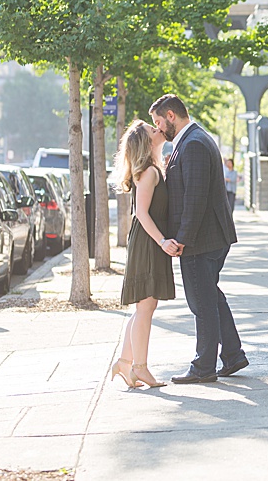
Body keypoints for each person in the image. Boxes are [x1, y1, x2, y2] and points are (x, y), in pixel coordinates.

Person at [150, 94, 247, 384]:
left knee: (201, 302)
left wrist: (181, 239)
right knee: (211, 297)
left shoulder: (192, 144)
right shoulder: (194, 139)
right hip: (210, 237)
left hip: (201, 240)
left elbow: (195, 198)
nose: (158, 129)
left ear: (170, 115)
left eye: (158, 122)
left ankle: (203, 366)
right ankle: (232, 354)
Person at [110, 120, 174, 389]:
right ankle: (140, 367)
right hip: (148, 241)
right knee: (146, 306)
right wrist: (162, 241)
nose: (158, 129)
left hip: (146, 240)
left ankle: (125, 363)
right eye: (152, 129)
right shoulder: (148, 172)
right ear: (146, 143)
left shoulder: (151, 168)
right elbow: (142, 213)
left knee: (144, 307)